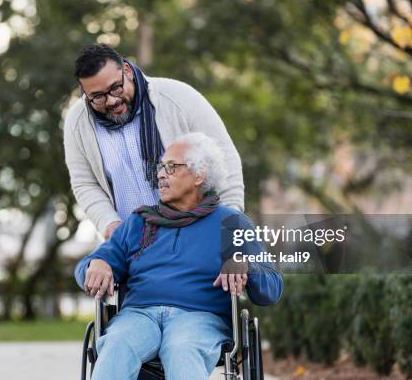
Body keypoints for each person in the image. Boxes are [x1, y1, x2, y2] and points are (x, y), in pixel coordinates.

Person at [75, 133, 283, 380]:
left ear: (199, 175)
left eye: (171, 167)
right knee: (116, 344)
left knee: (181, 349)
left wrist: (246, 264)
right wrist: (95, 264)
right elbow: (86, 268)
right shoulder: (139, 222)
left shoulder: (232, 223)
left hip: (199, 318)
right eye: (161, 167)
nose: (161, 174)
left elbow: (272, 288)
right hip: (139, 315)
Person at [64, 44, 244, 239]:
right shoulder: (77, 122)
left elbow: (224, 160)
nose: (111, 101)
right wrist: (110, 224)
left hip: (198, 236)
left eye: (116, 88)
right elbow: (85, 183)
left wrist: (230, 229)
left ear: (127, 71)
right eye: (97, 97)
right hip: (134, 247)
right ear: (84, 92)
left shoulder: (179, 97)